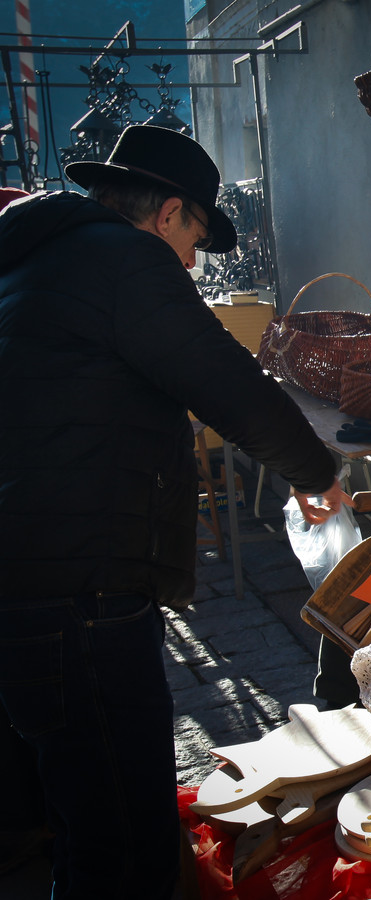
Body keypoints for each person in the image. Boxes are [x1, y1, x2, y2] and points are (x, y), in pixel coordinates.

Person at [0, 125, 351, 900]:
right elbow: (226, 380)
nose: (192, 261)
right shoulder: (122, 261)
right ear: (166, 213)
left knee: (78, 816)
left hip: (30, 580)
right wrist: (317, 471)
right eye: (194, 236)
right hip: (80, 593)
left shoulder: (39, 257)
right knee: (121, 837)